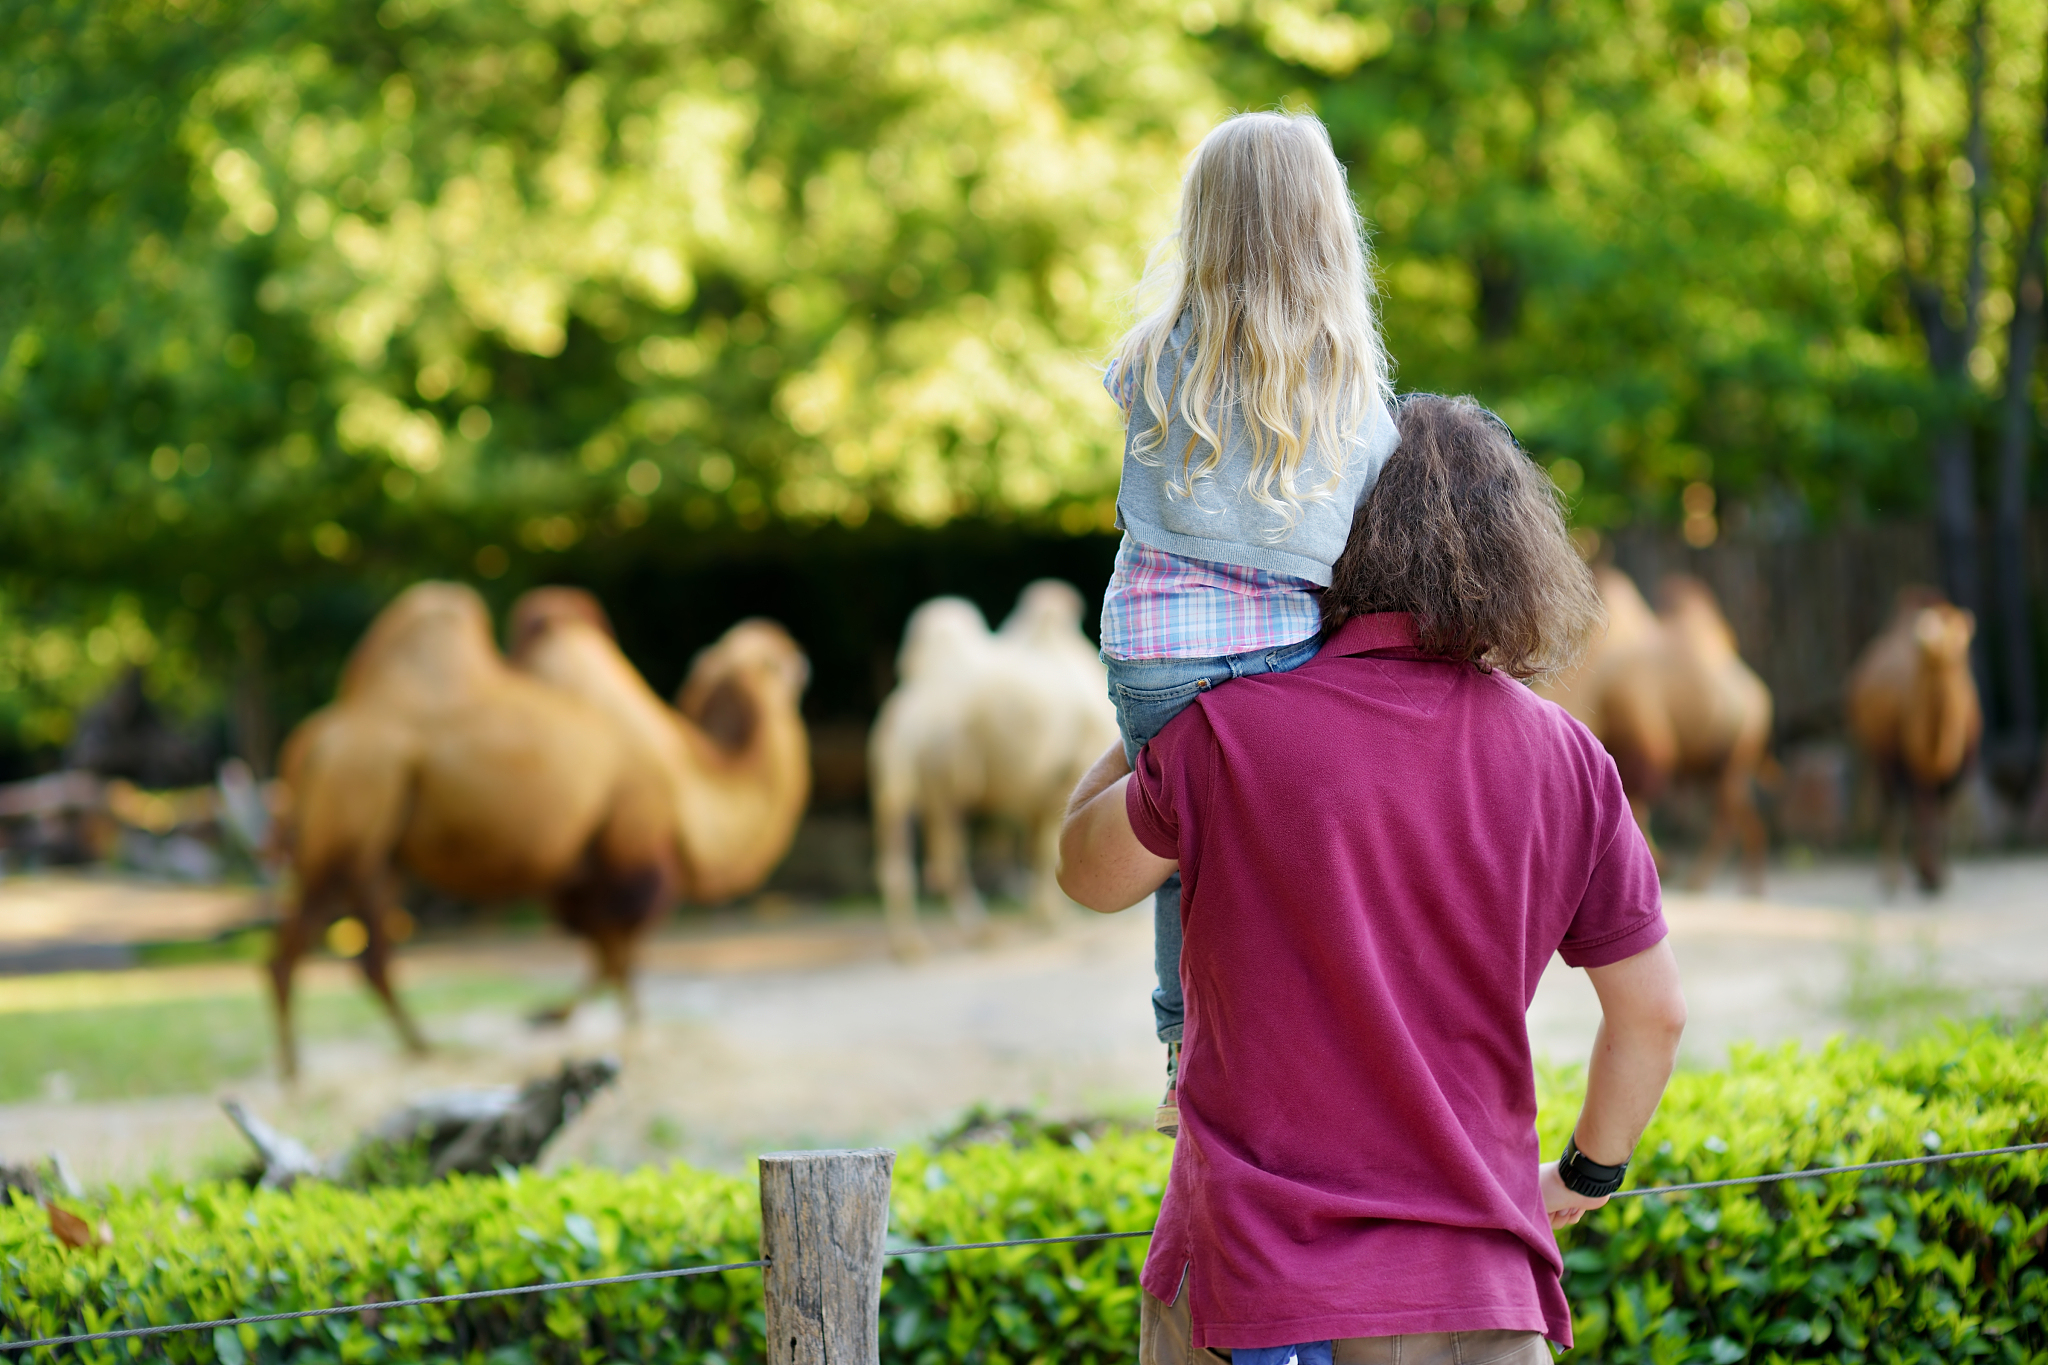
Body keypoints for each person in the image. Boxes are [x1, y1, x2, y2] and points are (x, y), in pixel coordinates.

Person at [1057, 394, 1687, 1361]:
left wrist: (1157, 717)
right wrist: (1588, 1173)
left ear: (1312, 528)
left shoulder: (1230, 735)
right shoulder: (1568, 757)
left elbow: (1085, 871)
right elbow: (1652, 1012)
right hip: (1479, 1298)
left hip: (1254, 1292)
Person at [1098, 110, 1400, 1135]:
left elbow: (1122, 409)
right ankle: (1306, 1049)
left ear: (1202, 221)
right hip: (1284, 658)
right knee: (1283, 861)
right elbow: (1373, 519)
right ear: (1327, 223)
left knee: (1183, 852)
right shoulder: (1348, 379)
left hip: (1150, 659)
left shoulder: (1149, 356)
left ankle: (1183, 1053)